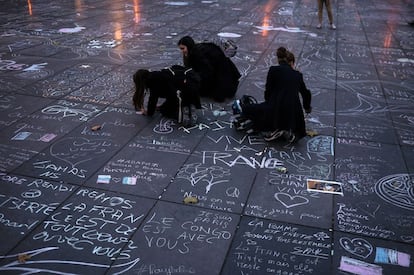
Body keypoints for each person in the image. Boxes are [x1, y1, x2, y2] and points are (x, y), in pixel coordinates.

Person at [233, 47, 312, 143]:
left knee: (257, 110)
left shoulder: (274, 70)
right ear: (291, 63)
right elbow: (306, 93)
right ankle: (287, 129)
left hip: (276, 109)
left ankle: (277, 128)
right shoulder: (298, 75)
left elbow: (268, 91)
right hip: (294, 114)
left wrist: (268, 104)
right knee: (278, 111)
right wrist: (307, 108)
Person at [177, 36, 241, 102]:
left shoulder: (198, 53)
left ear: (188, 46)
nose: (182, 51)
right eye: (180, 49)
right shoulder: (193, 51)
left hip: (224, 75)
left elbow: (207, 72)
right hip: (217, 70)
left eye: (183, 48)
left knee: (205, 91)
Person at [132, 65, 201, 126]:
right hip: (190, 85)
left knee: (166, 112)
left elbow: (153, 99)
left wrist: (149, 112)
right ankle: (189, 105)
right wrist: (162, 106)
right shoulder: (156, 75)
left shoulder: (153, 82)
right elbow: (169, 95)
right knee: (164, 107)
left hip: (184, 91)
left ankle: (183, 113)